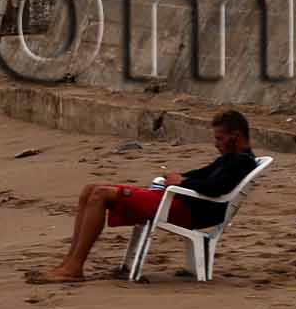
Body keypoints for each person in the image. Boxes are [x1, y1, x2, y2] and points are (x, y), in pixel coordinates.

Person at [41, 110, 262, 282]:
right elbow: (204, 175)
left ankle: (74, 267)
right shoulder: (231, 158)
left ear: (236, 136)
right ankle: (69, 263)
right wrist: (179, 178)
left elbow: (215, 188)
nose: (216, 143)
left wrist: (183, 182)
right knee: (90, 189)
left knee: (99, 194)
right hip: (179, 202)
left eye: (220, 138)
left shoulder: (241, 162)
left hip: (186, 211)